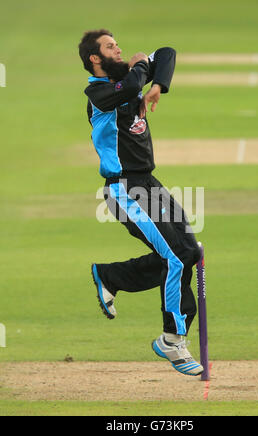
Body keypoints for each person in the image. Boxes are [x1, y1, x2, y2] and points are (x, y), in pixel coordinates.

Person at [78, 29, 203, 376]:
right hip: (123, 190)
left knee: (190, 250)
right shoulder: (98, 92)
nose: (118, 48)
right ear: (95, 58)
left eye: (116, 44)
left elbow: (167, 50)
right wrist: (139, 69)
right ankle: (172, 340)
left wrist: (158, 84)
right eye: (110, 46)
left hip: (149, 184)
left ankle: (110, 275)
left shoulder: (130, 78)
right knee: (177, 254)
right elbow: (130, 87)